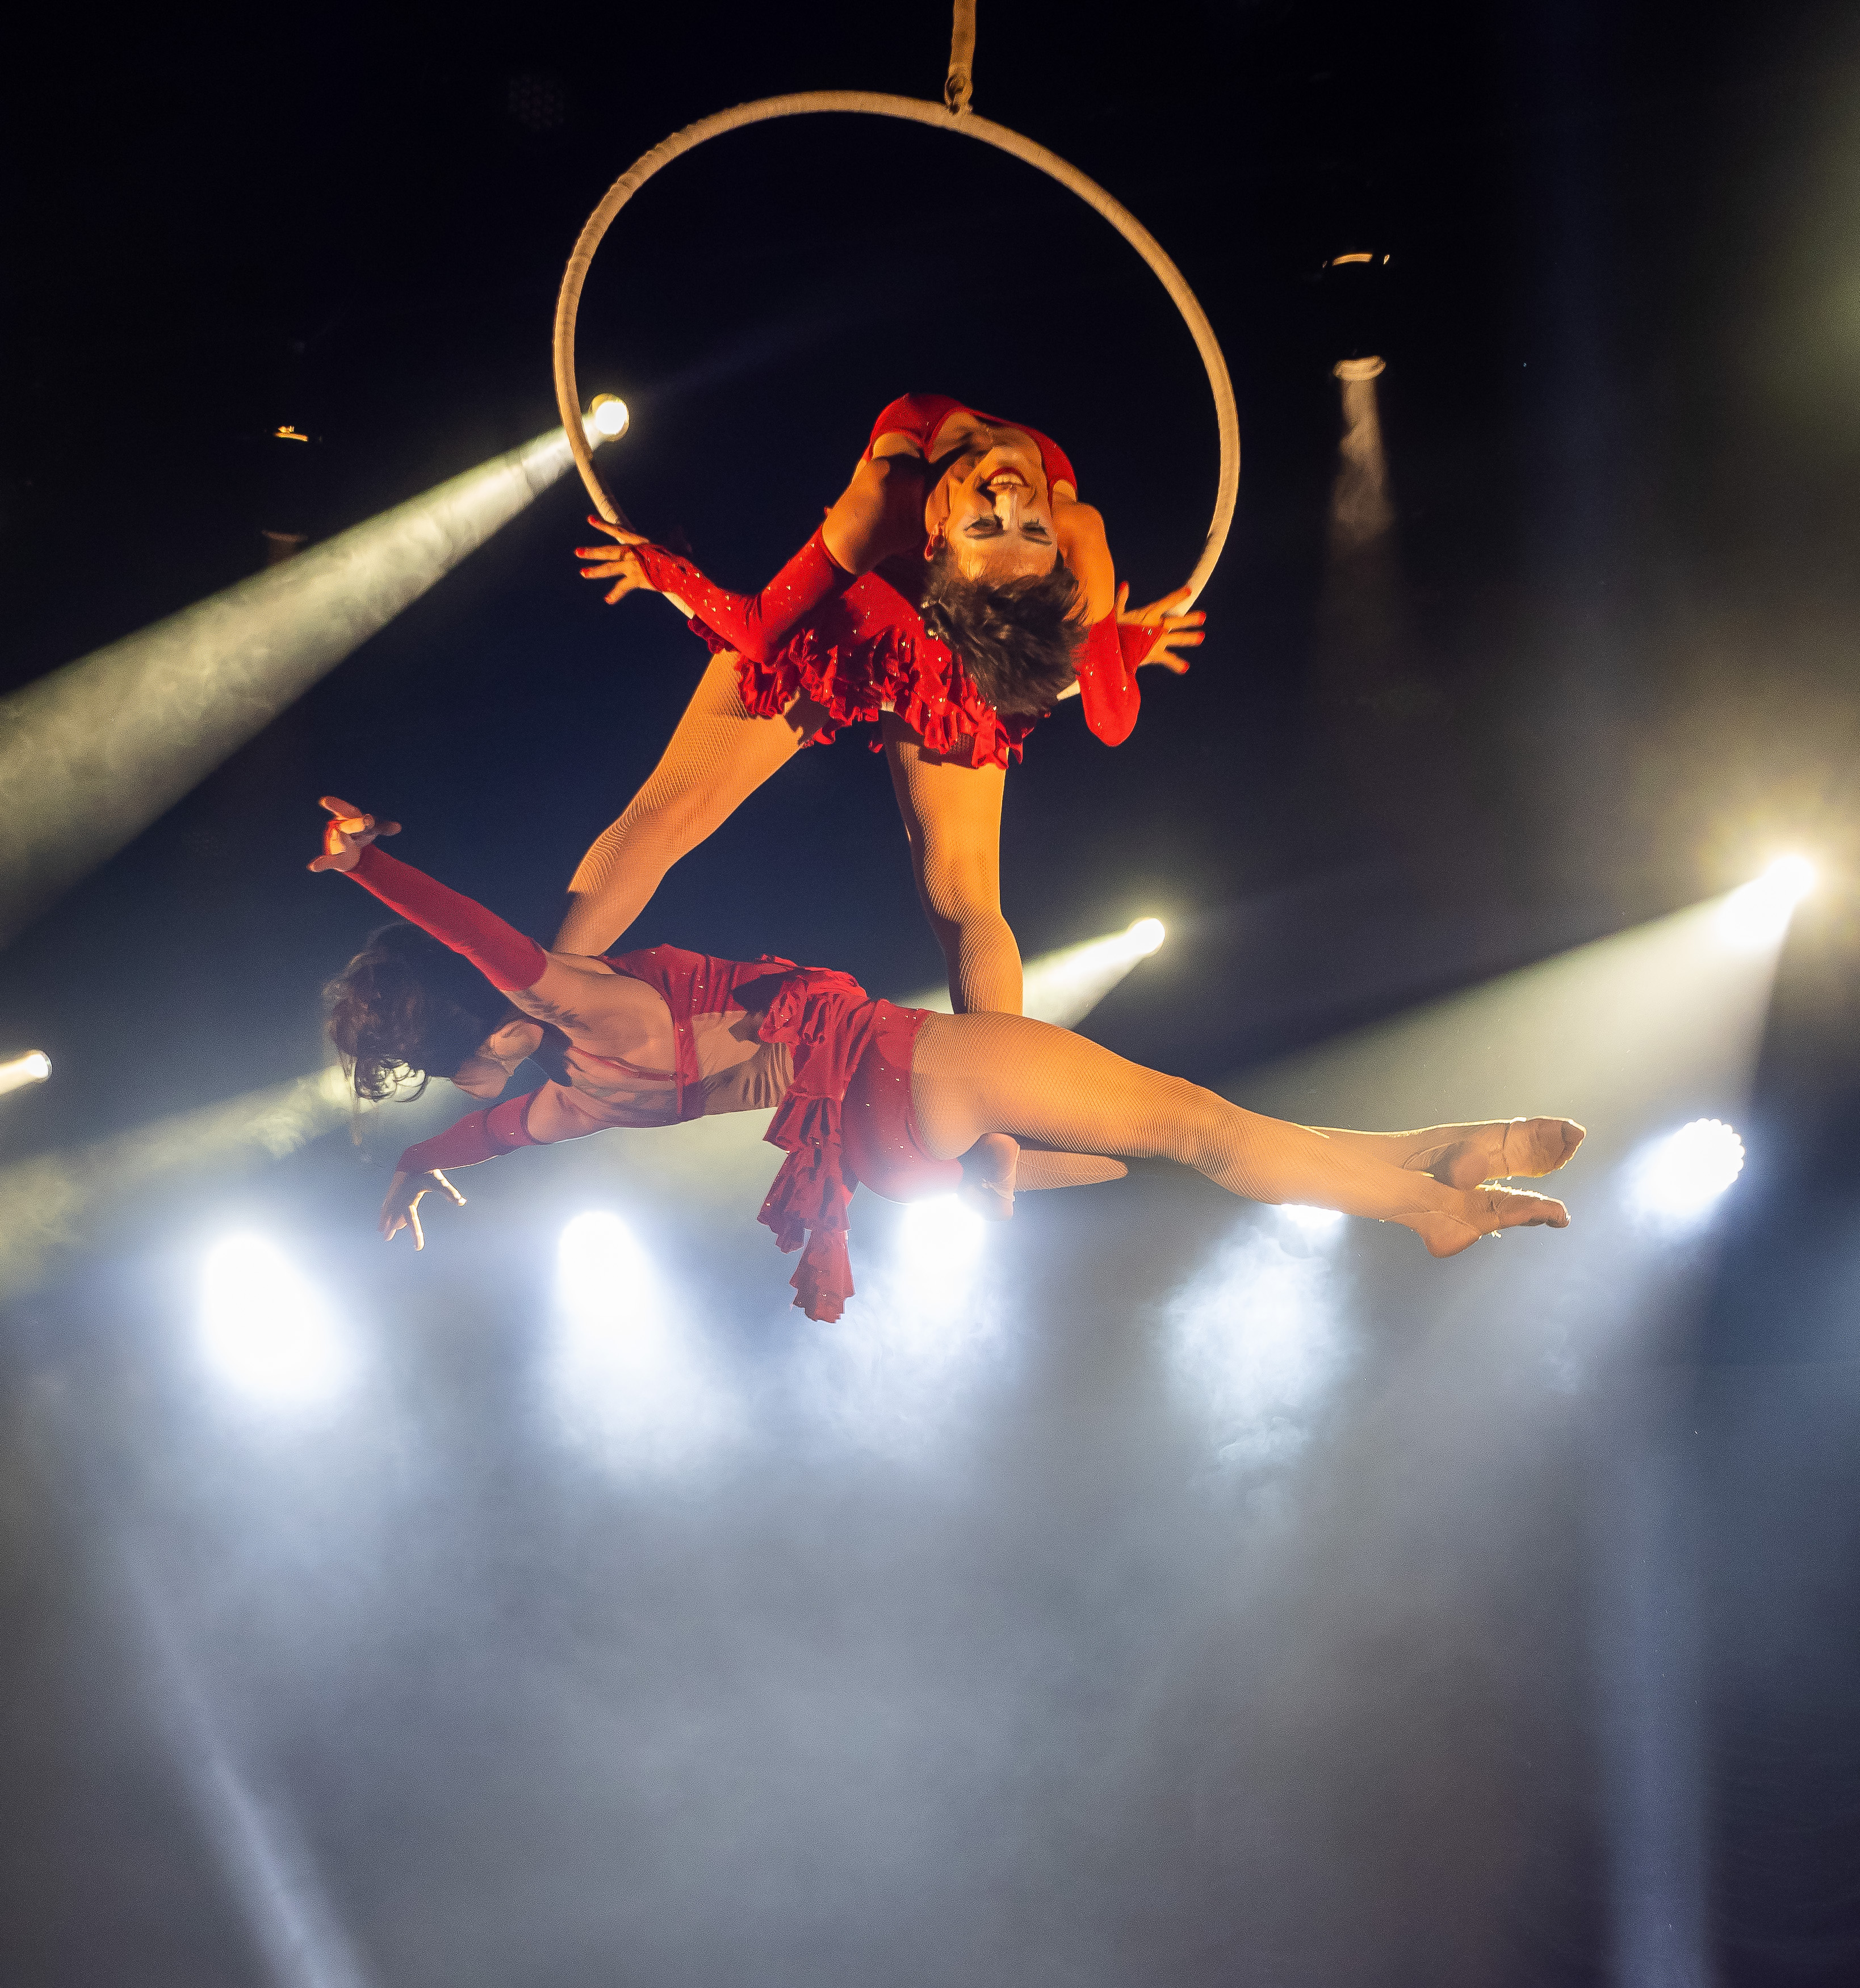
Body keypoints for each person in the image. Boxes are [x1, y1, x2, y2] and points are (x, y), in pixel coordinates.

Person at [311, 799, 1581, 1323]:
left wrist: (422, 1158)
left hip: (893, 1160)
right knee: (1199, 1126)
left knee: (1181, 1143)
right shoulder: (586, 1013)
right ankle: (1429, 1208)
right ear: (488, 1010)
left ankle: (1433, 1155)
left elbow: (477, 1127)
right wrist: (369, 865)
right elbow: (482, 943)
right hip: (911, 1073)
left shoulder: (574, 1101)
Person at [563, 393, 1207, 1207]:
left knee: (954, 892)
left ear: (941, 538)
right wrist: (1111, 643)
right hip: (925, 630)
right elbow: (1113, 715)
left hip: (931, 639)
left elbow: (761, 632)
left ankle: (996, 1126)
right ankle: (544, 1006)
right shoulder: (1047, 525)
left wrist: (672, 573)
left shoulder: (912, 497)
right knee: (694, 816)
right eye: (1018, 522)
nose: (1009, 499)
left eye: (996, 523)